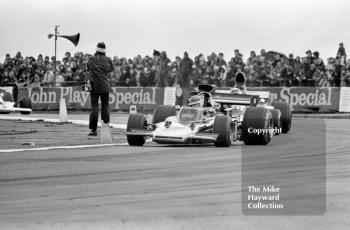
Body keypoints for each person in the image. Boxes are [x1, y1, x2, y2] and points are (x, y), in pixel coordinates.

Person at [87, 42, 114, 136]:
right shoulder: (108, 59)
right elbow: (111, 69)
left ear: (96, 49)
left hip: (94, 85)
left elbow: (88, 68)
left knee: (94, 107)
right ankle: (105, 127)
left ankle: (93, 130)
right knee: (105, 106)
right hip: (105, 85)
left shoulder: (91, 59)